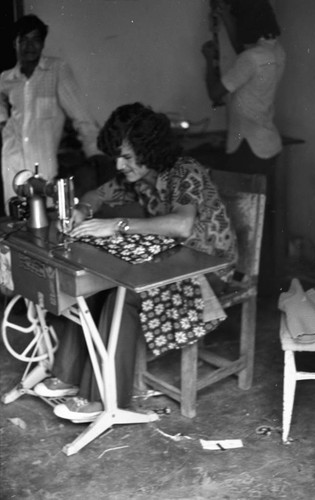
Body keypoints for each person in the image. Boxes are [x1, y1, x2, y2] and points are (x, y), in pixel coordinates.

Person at [33, 102, 238, 422]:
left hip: (207, 269)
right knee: (92, 280)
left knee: (123, 294)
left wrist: (117, 225)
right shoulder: (139, 176)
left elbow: (181, 225)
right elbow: (97, 195)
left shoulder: (186, 172)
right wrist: (82, 211)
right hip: (173, 260)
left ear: (149, 150)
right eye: (117, 155)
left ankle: (103, 399)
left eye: (127, 157)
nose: (119, 164)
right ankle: (69, 375)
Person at [0, 14, 104, 213]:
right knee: (15, 216)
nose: (30, 46)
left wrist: (95, 153)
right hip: (12, 160)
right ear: (15, 43)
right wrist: (3, 123)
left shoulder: (57, 70)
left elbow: (80, 115)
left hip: (43, 164)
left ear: (43, 43)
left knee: (44, 217)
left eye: (36, 39)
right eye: (24, 40)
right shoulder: (6, 78)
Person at [202, 0, 286, 177]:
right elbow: (243, 53)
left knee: (243, 203)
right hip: (267, 144)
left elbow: (214, 93)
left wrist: (209, 60)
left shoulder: (251, 58)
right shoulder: (276, 50)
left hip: (248, 148)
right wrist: (225, 15)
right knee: (260, 203)